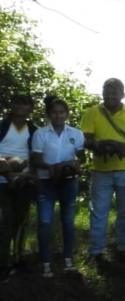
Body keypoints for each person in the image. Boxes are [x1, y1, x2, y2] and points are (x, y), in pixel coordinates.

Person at [81, 78, 125, 262]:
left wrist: (120, 146)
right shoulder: (92, 112)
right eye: (107, 91)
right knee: (99, 211)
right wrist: (101, 146)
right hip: (101, 170)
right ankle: (96, 250)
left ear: (123, 95)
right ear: (102, 93)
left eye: (115, 92)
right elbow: (86, 139)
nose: (110, 95)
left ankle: (123, 246)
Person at [30, 96, 85, 276]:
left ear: (67, 114)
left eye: (62, 112)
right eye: (54, 112)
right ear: (49, 114)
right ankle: (45, 261)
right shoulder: (40, 133)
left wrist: (72, 164)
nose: (58, 116)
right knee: (45, 221)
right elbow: (36, 159)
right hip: (46, 181)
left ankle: (68, 258)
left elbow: (81, 156)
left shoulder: (75, 133)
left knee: (68, 220)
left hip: (68, 180)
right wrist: (51, 167)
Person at [0, 92, 38, 277]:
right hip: (2, 179)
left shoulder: (34, 130)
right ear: (12, 105)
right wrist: (7, 170)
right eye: (17, 102)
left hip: (25, 180)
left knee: (21, 221)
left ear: (31, 108)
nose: (20, 107)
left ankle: (19, 258)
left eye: (25, 104)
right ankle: (3, 261)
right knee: (4, 220)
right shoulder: (2, 125)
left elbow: (36, 156)